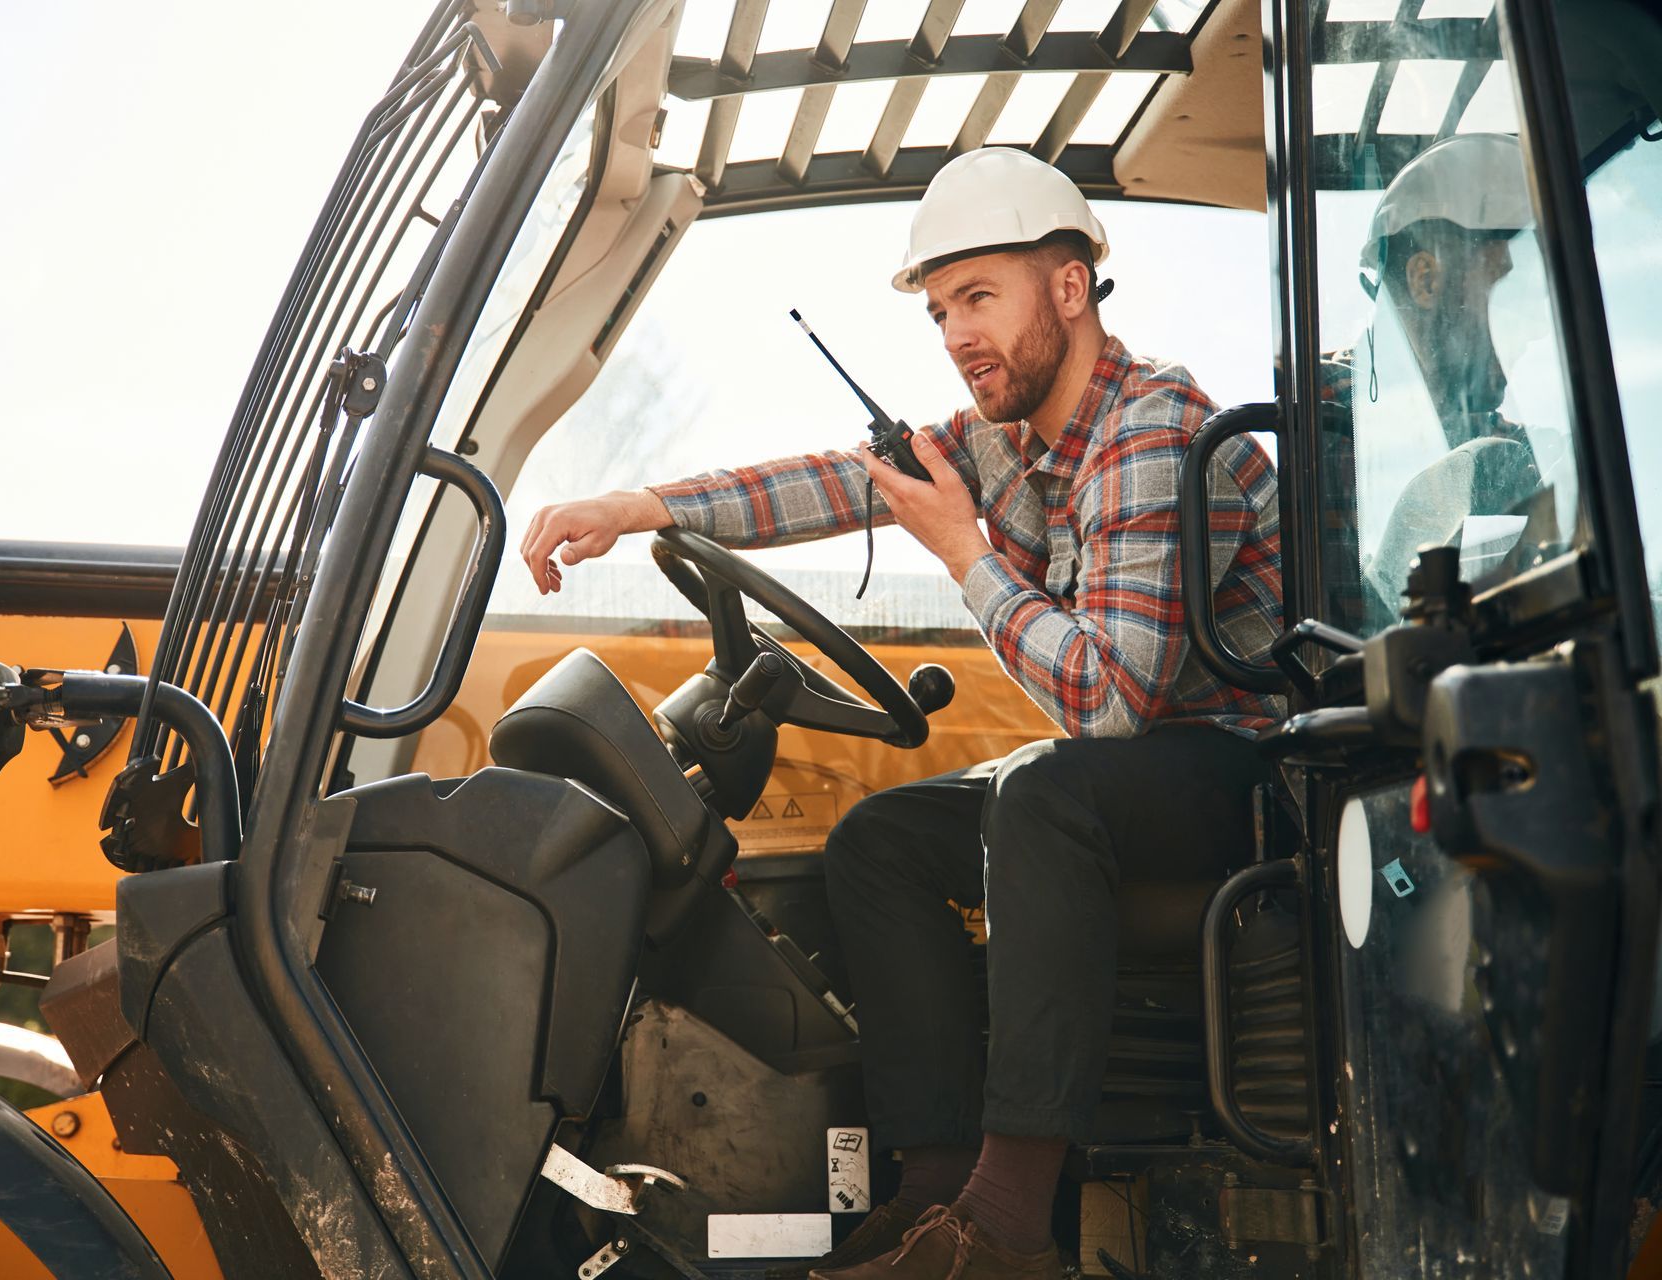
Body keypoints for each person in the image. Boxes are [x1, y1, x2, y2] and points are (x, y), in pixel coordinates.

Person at [521, 146, 1284, 1280]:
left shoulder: (1148, 426)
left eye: (980, 296)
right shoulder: (1009, 442)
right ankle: (932, 1194)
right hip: (1131, 770)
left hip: (1248, 768)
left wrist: (967, 556)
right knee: (877, 839)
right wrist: (637, 504)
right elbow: (835, 480)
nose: (957, 334)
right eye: (939, 313)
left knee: (1044, 791)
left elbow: (1111, 706)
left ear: (1067, 289)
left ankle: (1008, 1224)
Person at [1318, 133, 1549, 631]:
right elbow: (1352, 636)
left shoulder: (1505, 443)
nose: (1534, 325)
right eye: (1510, 287)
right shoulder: (1331, 412)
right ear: (1426, 279)